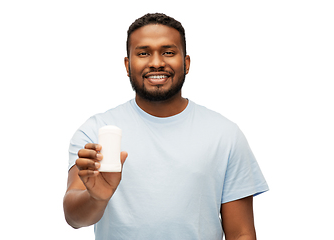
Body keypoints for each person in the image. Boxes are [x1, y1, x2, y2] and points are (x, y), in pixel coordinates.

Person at [63, 13, 268, 240]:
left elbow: (241, 233)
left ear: (186, 63)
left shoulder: (225, 134)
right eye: (143, 53)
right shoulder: (97, 131)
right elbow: (73, 218)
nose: (156, 62)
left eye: (168, 52)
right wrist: (96, 199)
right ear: (127, 65)